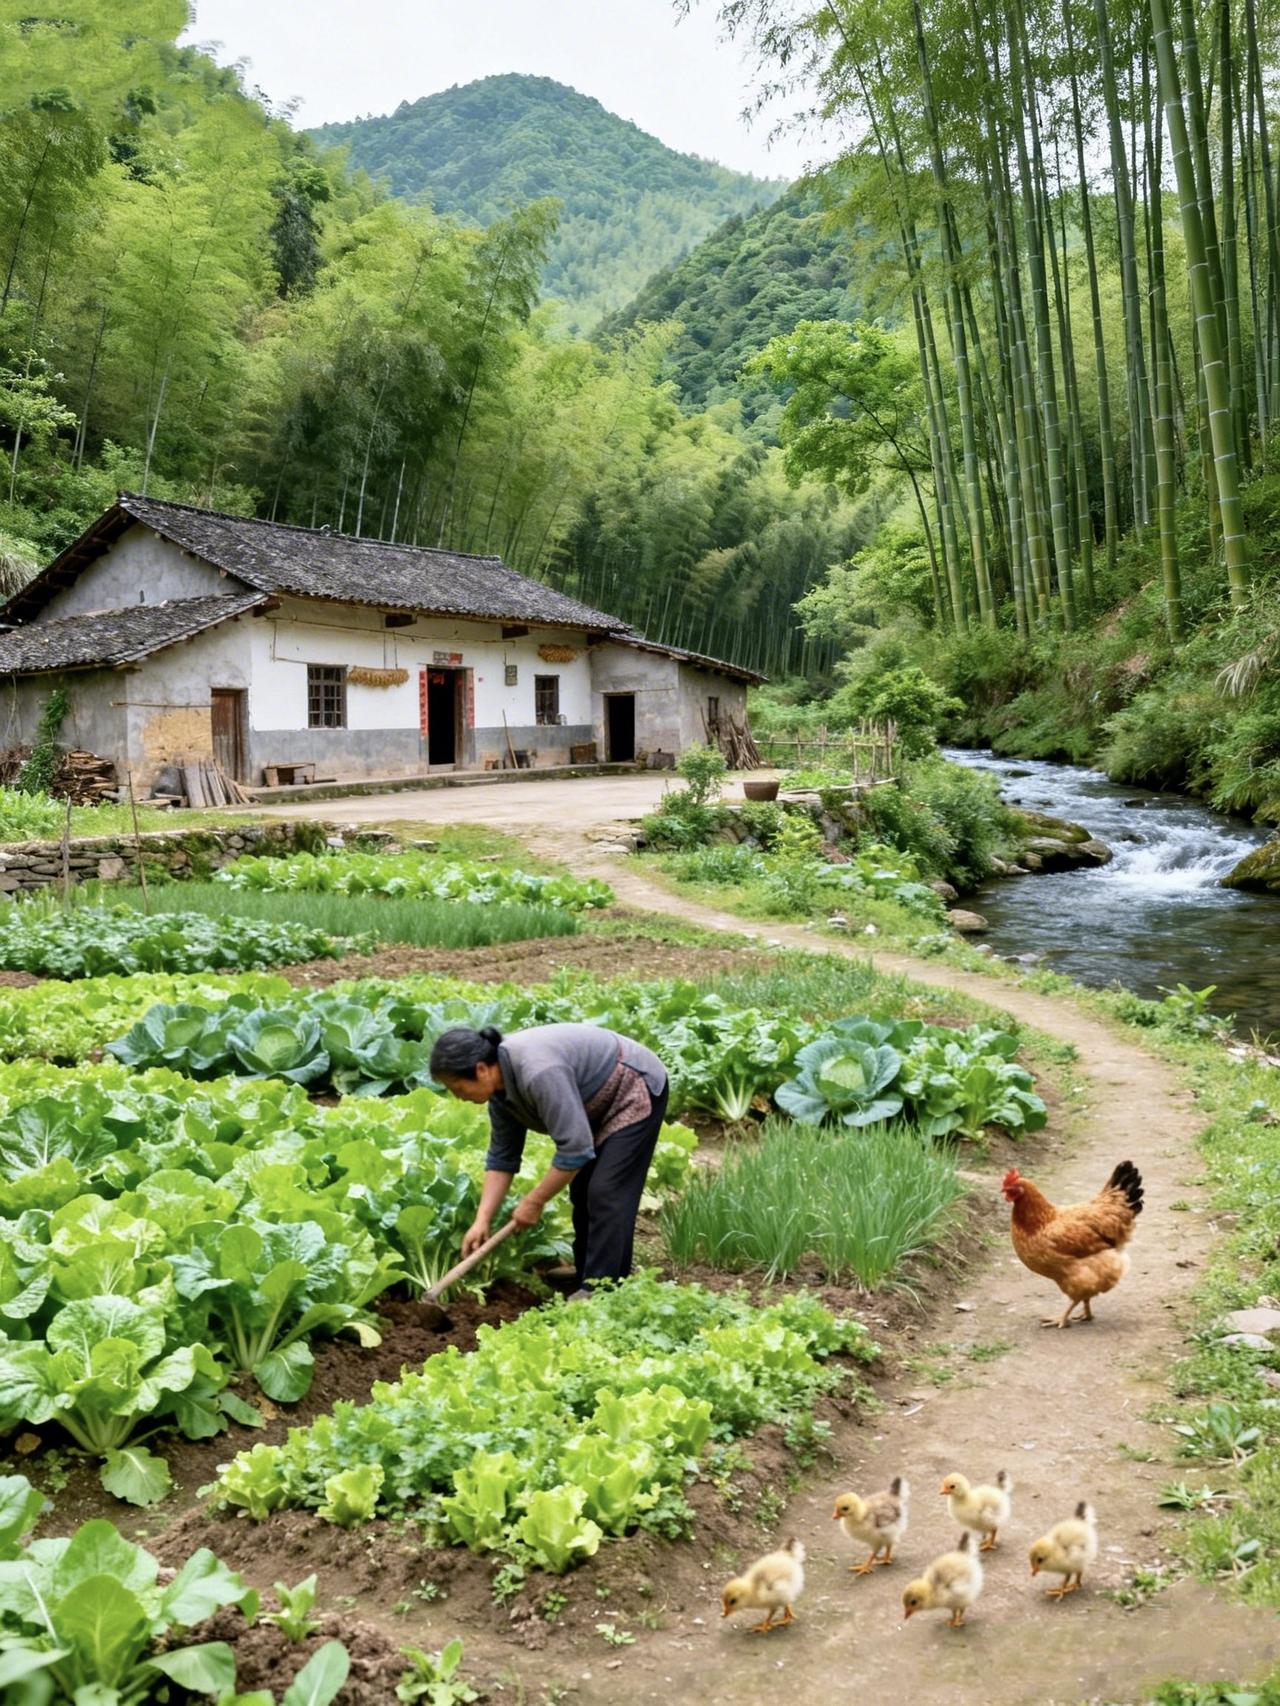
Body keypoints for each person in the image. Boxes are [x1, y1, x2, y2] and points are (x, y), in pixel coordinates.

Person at [430, 1021, 669, 1296]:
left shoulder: (538, 1072)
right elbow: (502, 1158)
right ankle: (588, 1272)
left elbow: (575, 1149)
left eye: (458, 1087)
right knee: (582, 1189)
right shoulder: (499, 1093)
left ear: (481, 1070)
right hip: (593, 1105)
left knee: (606, 1190)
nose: (458, 1097)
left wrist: (534, 1201)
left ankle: (602, 1289)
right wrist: (482, 1220)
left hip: (632, 1087)